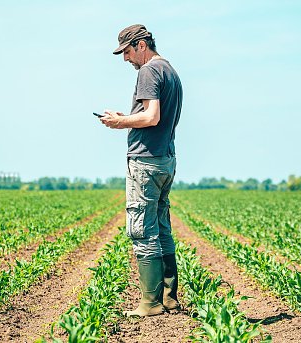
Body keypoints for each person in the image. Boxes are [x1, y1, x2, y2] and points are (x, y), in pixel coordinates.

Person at [99, 24, 182, 317]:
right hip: (165, 158)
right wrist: (128, 117)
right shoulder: (170, 70)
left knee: (142, 231)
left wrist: (119, 123)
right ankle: (169, 298)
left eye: (127, 51)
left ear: (141, 44)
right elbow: (154, 116)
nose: (126, 59)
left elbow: (152, 116)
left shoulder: (148, 71)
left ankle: (150, 303)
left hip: (145, 161)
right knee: (161, 228)